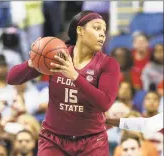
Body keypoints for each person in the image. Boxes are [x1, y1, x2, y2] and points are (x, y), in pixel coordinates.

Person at [7, 11, 120, 156]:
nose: (102, 34)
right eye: (97, 28)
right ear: (80, 30)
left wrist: (74, 76)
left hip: (92, 141)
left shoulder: (107, 64)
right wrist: (33, 61)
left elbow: (104, 103)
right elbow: (12, 78)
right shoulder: (56, 55)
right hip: (54, 140)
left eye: (104, 30)